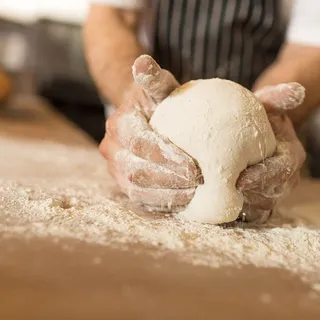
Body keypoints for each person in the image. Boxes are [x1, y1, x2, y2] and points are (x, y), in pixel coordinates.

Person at [84, 0, 320, 222]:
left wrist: (265, 116)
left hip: (276, 166)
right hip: (152, 144)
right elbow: (113, 17)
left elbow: (310, 46)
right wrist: (135, 96)